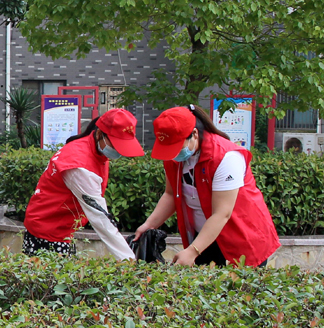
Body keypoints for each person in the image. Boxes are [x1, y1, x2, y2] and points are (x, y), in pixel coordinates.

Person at [132, 105, 280, 267]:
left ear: (194, 134)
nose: (173, 154)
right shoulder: (174, 156)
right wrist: (149, 225)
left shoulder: (225, 156)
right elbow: (171, 194)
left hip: (241, 237)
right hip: (204, 238)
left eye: (177, 147)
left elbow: (222, 213)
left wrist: (192, 251)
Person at [22, 108, 146, 259]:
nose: (119, 151)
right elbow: (100, 217)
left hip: (56, 225)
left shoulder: (91, 148)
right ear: (99, 134)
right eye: (115, 145)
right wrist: (128, 259)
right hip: (48, 231)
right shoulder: (79, 165)